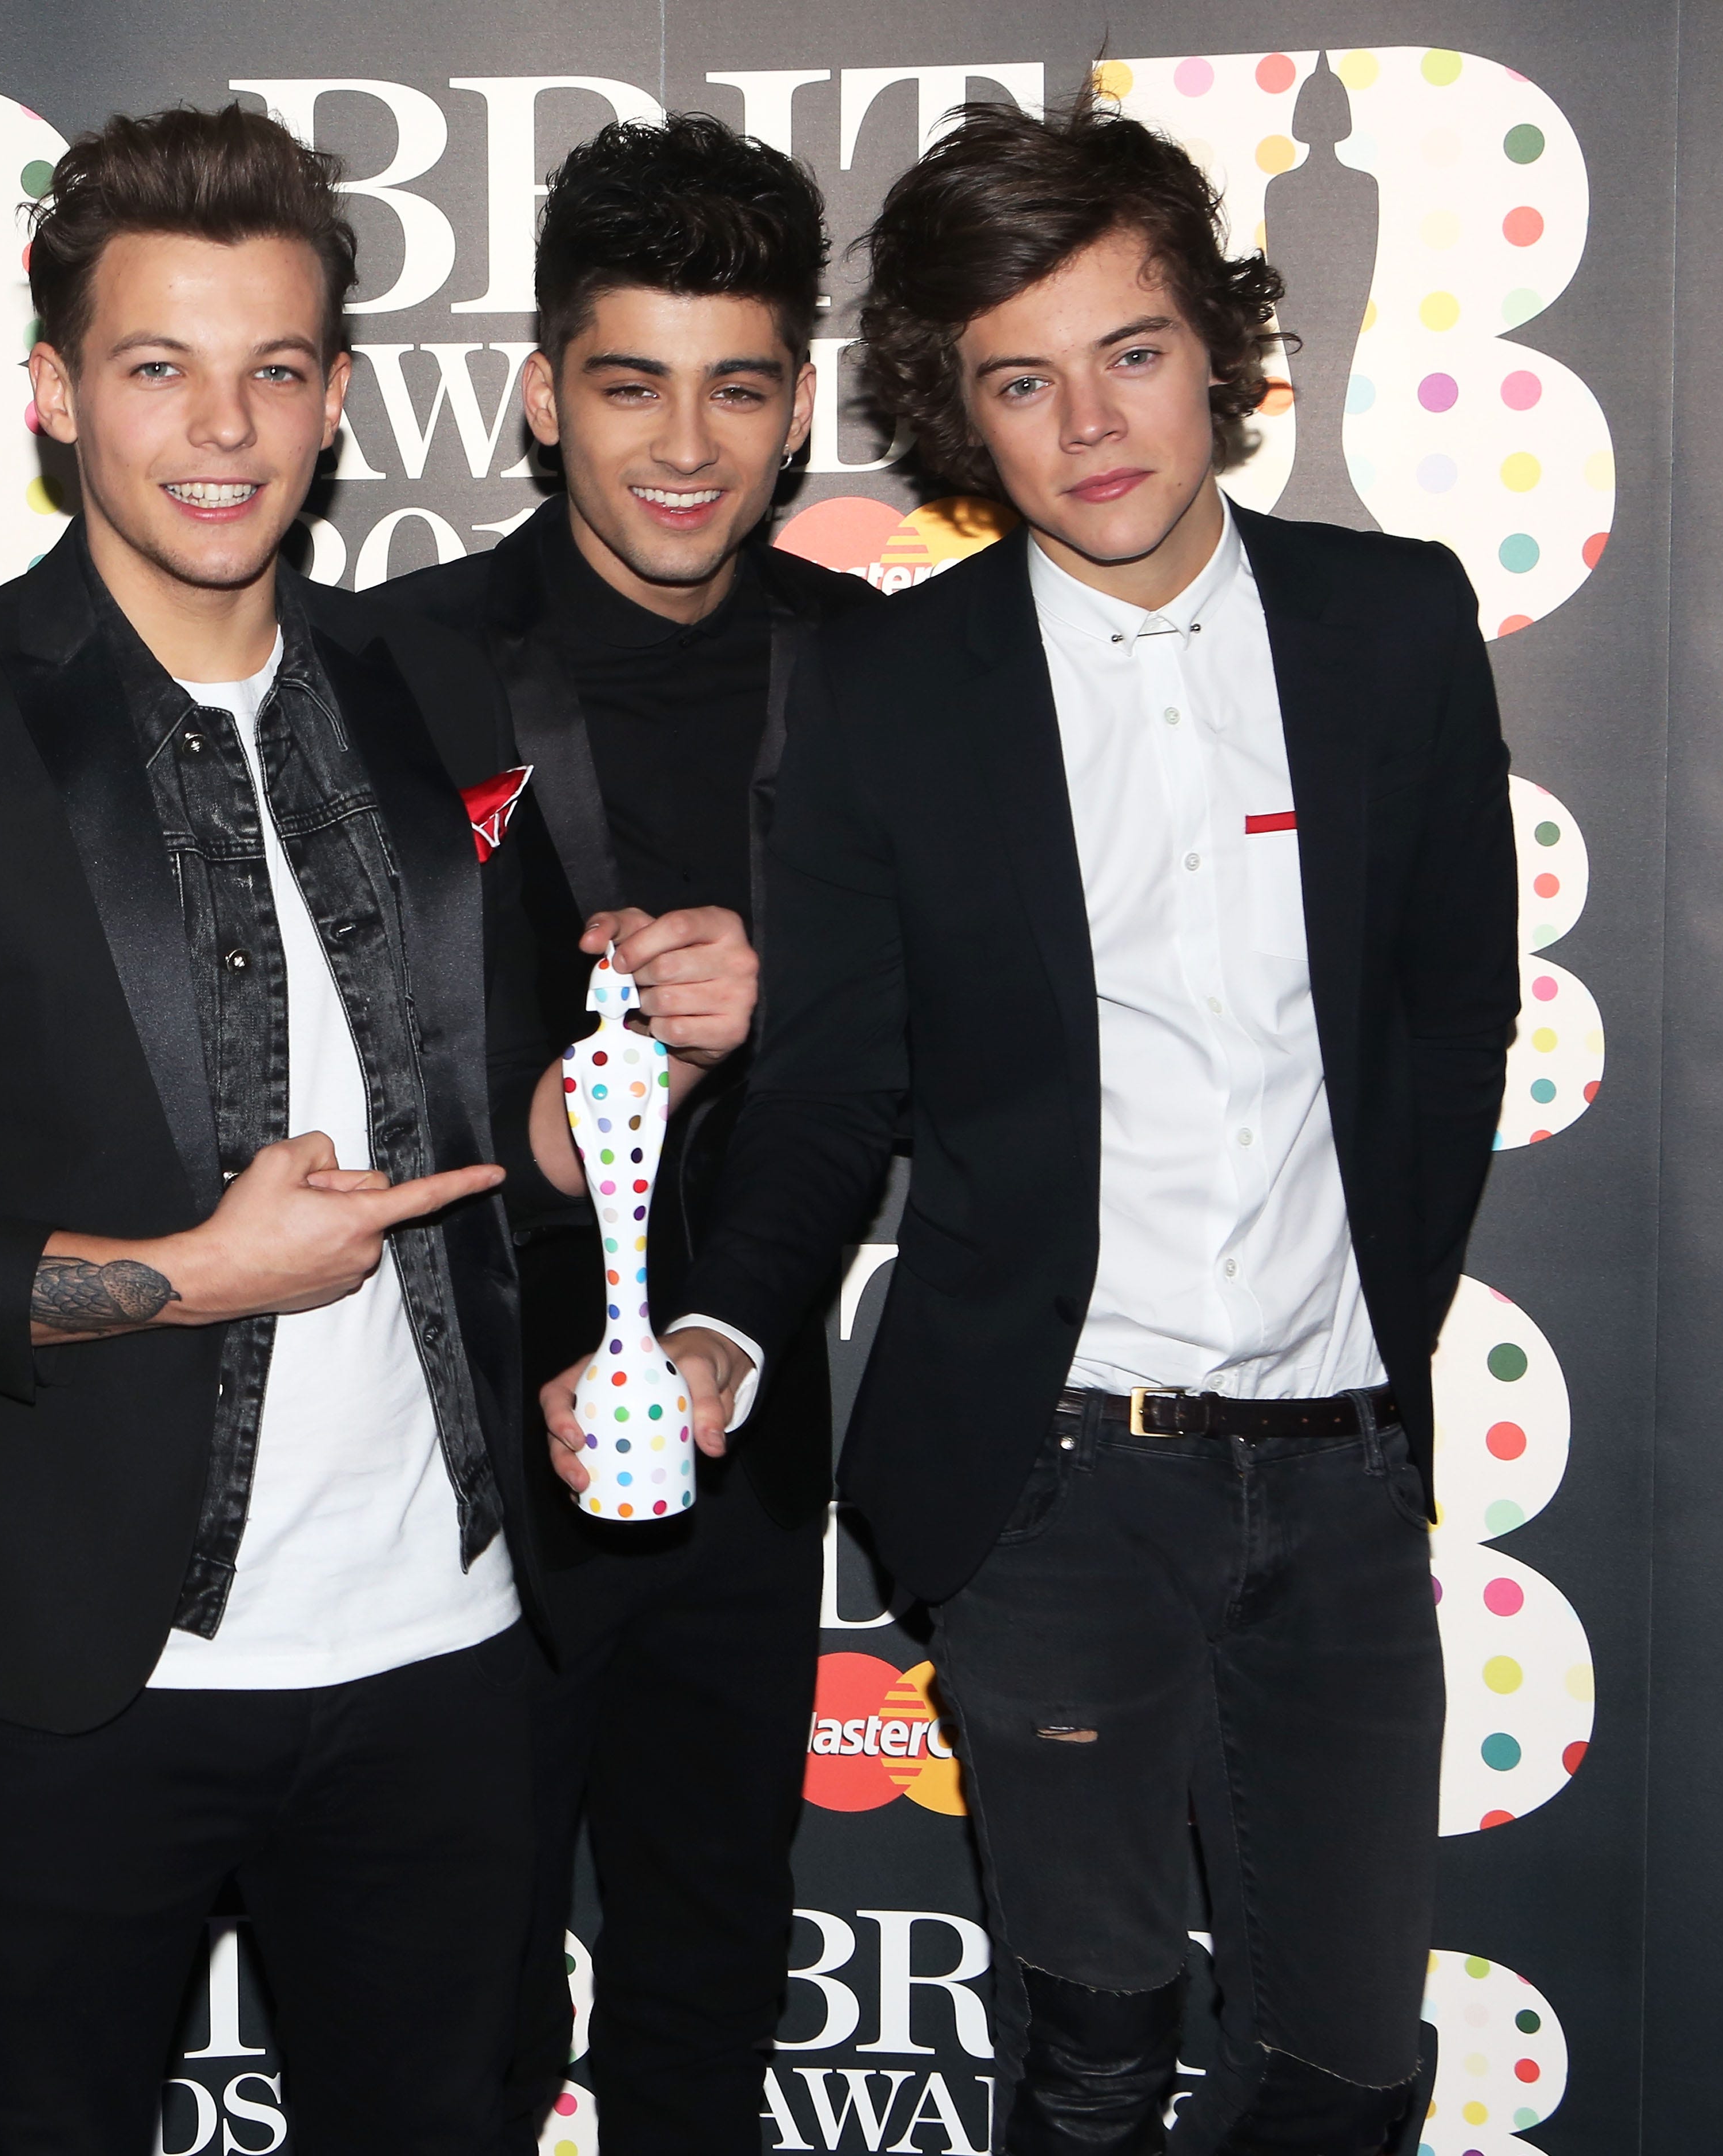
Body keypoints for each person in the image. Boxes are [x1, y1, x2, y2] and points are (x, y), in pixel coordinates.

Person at [667, 97, 1516, 2151]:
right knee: (1097, 2062)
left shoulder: (1392, 626)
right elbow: (836, 1079)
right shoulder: (893, 692)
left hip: (1337, 1482)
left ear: (1217, 351)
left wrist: (1375, 1363)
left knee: (1347, 2074)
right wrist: (728, 1321)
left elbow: (1447, 1016)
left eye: (1131, 351)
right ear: (962, 419)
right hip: (1053, 1488)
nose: (1092, 423)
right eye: (1021, 382)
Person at [0, 103, 554, 2155]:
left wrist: (602, 1089)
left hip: (450, 1648)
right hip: (80, 1672)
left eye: (276, 368)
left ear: (338, 397)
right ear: (51, 393)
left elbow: (484, 1116)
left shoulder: (435, 687)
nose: (224, 426)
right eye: (155, 365)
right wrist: (184, 1282)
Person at [376, 113, 875, 2151]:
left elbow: (875, 1085)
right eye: (629, 381)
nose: (685, 444)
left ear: (797, 406)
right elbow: (338, 1070)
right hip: (458, 1472)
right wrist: (550, 1128)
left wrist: (729, 1333)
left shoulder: (881, 681)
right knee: (441, 2031)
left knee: (702, 2009)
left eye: (737, 386)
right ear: (536, 393)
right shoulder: (388, 664)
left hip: (738, 1443)